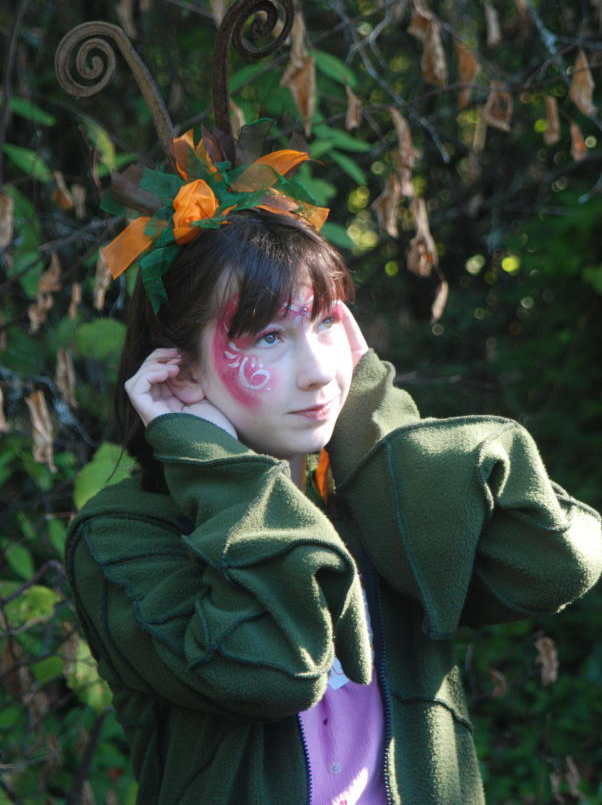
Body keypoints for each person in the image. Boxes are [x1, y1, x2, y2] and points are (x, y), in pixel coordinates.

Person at [64, 205, 602, 805]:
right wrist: (217, 467)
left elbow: (556, 560)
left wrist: (371, 413)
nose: (320, 372)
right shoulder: (119, 537)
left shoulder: (375, 507)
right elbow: (271, 668)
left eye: (324, 324)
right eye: (269, 337)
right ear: (180, 372)